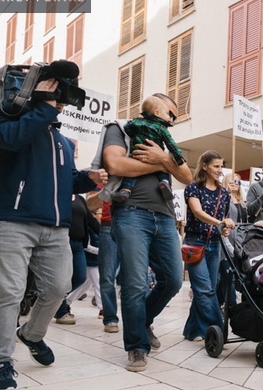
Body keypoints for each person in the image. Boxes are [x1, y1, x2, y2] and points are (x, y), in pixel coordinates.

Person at [0, 73, 107, 390]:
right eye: (56, 95)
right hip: (11, 222)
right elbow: (9, 140)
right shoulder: (3, 118)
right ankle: (0, 362)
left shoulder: (63, 141)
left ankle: (32, 335)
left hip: (55, 229)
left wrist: (89, 178)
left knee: (59, 287)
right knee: (9, 292)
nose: (62, 102)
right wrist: (42, 105)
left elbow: (66, 182)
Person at [102, 93, 192, 371]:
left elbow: (187, 176)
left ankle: (141, 322)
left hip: (165, 216)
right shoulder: (120, 128)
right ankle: (137, 347)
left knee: (173, 280)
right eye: (171, 114)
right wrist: (162, 163)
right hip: (130, 212)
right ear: (158, 108)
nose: (173, 121)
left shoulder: (163, 138)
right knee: (135, 284)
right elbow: (115, 164)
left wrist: (164, 157)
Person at [182, 151, 235, 340]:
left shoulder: (224, 193)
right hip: (195, 243)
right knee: (205, 289)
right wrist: (219, 223)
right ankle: (218, 330)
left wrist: (224, 229)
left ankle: (191, 330)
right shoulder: (193, 188)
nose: (220, 170)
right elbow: (197, 212)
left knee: (207, 288)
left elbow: (221, 221)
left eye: (221, 166)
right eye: (216, 166)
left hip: (214, 243)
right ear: (204, 166)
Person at [111, 96, 187, 202]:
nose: (170, 120)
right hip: (154, 159)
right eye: (169, 114)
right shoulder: (161, 129)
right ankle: (165, 183)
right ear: (157, 112)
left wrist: (134, 136)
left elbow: (127, 128)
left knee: (130, 177)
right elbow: (172, 145)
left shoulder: (136, 122)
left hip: (136, 155)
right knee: (163, 173)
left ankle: (126, 190)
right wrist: (175, 159)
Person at [52, 194, 99, 324]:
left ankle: (55, 301)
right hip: (62, 242)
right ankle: (61, 311)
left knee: (80, 277)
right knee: (62, 277)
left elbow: (90, 220)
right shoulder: (57, 195)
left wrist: (107, 233)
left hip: (78, 245)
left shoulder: (80, 199)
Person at [97, 199, 120, 333]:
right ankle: (110, 318)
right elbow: (92, 201)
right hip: (108, 224)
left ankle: (140, 319)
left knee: (137, 276)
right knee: (107, 275)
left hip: (133, 224)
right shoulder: (107, 178)